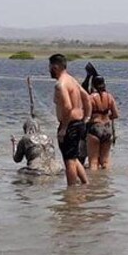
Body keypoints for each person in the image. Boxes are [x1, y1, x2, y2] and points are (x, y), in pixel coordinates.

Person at [49, 54, 91, 186]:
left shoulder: (61, 84)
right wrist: (86, 118)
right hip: (78, 123)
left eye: (49, 67)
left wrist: (64, 128)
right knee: (73, 157)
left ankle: (71, 191)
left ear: (55, 67)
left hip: (70, 125)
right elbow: (86, 98)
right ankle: (85, 183)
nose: (48, 70)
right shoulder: (72, 80)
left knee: (69, 161)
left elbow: (67, 106)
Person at [86, 75, 120, 170]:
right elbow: (116, 115)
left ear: (93, 84)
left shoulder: (90, 98)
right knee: (105, 161)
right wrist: (107, 117)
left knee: (93, 161)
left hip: (94, 128)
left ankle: (94, 183)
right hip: (107, 128)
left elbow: (87, 116)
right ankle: (106, 182)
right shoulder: (109, 97)